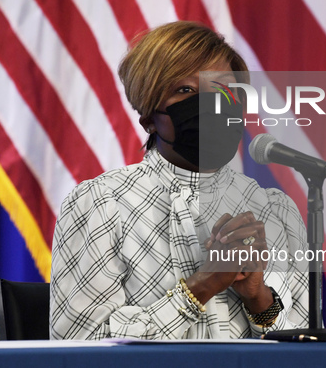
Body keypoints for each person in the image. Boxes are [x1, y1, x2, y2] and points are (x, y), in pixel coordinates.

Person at [50, 21, 308, 340]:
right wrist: (204, 285)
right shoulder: (102, 204)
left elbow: (308, 343)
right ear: (149, 119)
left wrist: (258, 299)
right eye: (185, 90)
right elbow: (78, 343)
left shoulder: (275, 209)